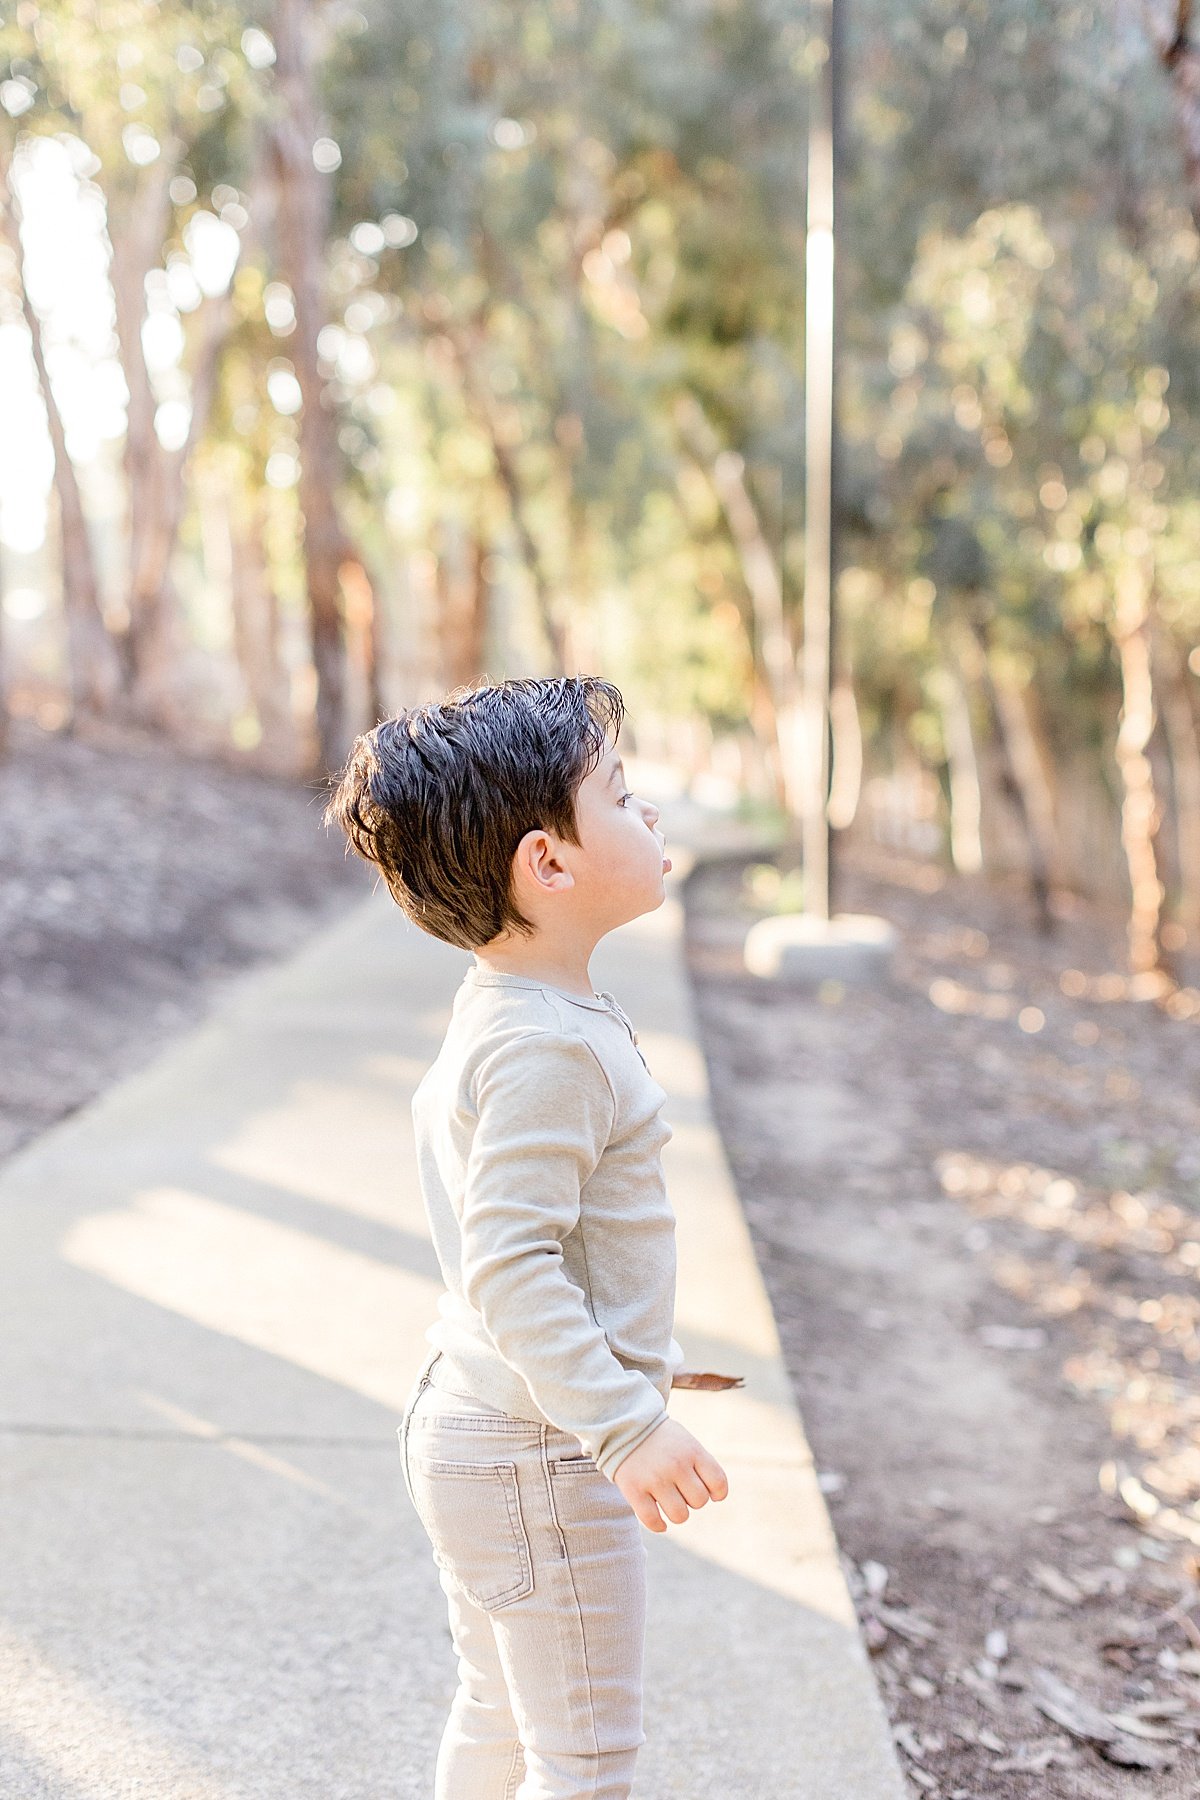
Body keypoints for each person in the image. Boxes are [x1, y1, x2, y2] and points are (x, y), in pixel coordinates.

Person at [324, 673, 732, 1800]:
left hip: (487, 1424)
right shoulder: (550, 1047)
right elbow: (511, 1262)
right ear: (548, 864)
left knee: (502, 1714)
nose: (649, 815)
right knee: (583, 1759)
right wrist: (625, 1423)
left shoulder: (510, 1002)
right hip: (537, 1452)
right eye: (622, 795)